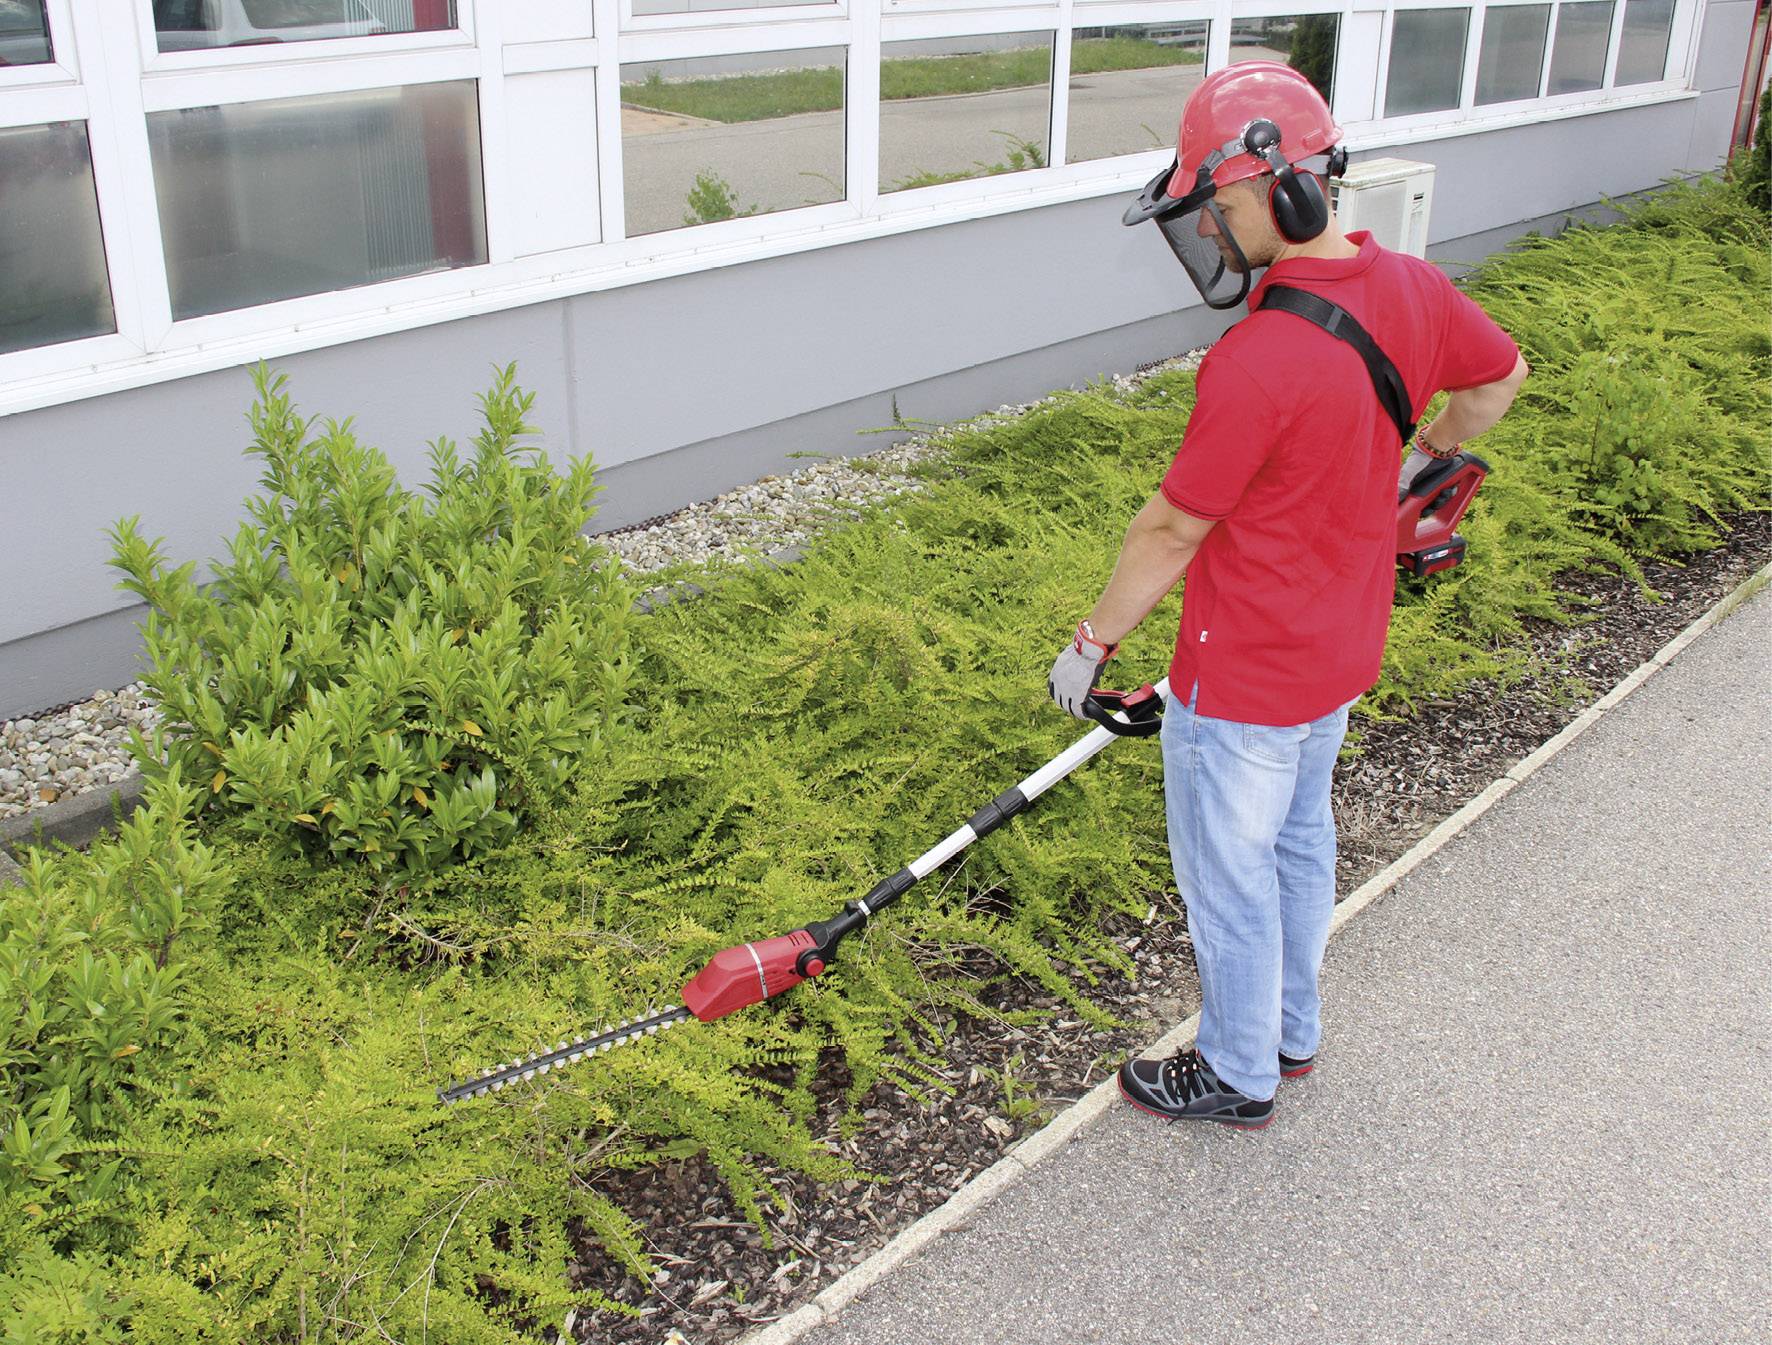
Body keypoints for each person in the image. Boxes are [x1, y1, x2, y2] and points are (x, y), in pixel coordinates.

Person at [1048, 61, 1529, 1130]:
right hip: (1338, 657)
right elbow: (1499, 377)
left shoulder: (1255, 359)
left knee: (1227, 876)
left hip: (1242, 676)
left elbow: (1172, 527)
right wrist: (1423, 458)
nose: (1211, 233)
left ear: (1283, 190)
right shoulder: (1412, 289)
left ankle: (1233, 1071)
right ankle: (1289, 1030)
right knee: (1299, 840)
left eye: (1215, 207)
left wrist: (1088, 646)